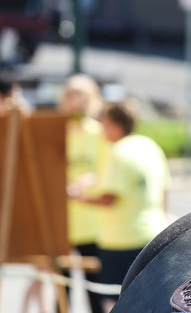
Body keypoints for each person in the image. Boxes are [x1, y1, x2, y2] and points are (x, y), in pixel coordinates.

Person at [70, 99, 171, 311]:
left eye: (104, 124)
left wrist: (79, 197)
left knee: (113, 301)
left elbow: (110, 198)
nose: (101, 130)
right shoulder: (149, 145)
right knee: (148, 297)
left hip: (120, 239)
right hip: (152, 232)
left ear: (116, 125)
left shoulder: (118, 151)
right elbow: (164, 188)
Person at [59, 74, 108, 313]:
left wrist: (85, 181)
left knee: (94, 290)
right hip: (62, 222)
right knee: (60, 288)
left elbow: (106, 169)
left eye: (83, 98)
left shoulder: (99, 133)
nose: (77, 104)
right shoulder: (57, 132)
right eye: (72, 98)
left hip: (91, 221)